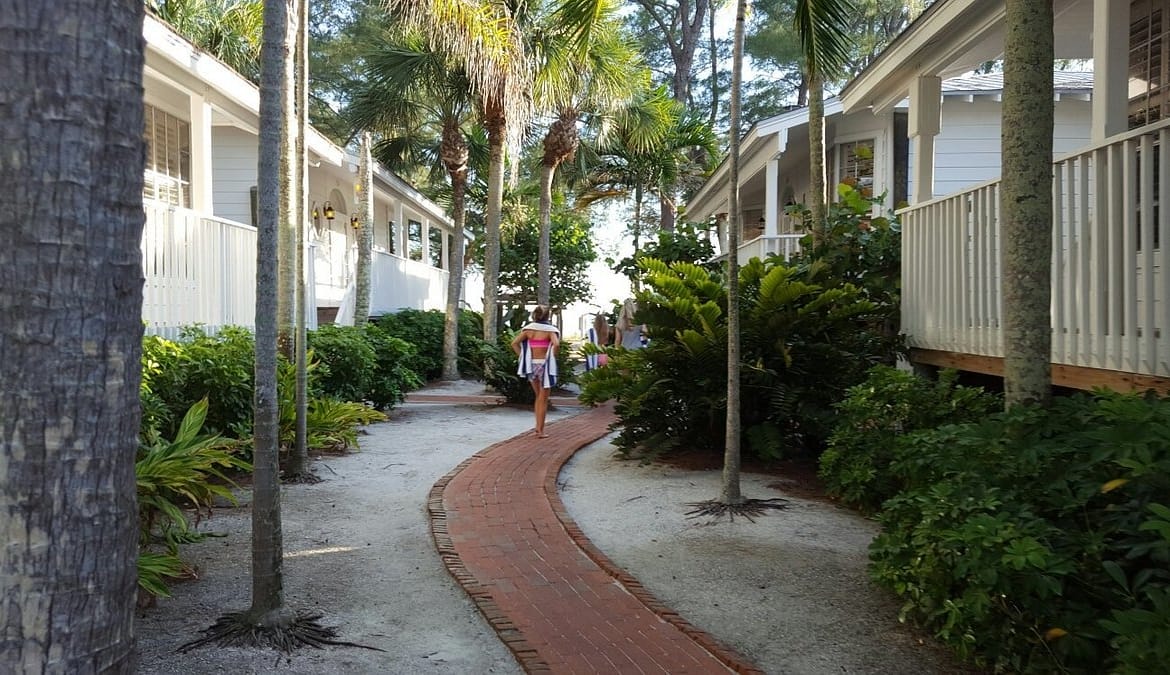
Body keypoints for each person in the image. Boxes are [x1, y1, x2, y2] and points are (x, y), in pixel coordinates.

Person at [511, 305, 560, 438]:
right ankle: (540, 430)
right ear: (547, 316)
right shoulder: (550, 330)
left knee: (538, 397)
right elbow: (556, 344)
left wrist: (522, 357)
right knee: (543, 398)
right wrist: (553, 356)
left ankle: (538, 428)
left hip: (531, 366)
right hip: (544, 365)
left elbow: (514, 343)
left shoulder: (529, 330)